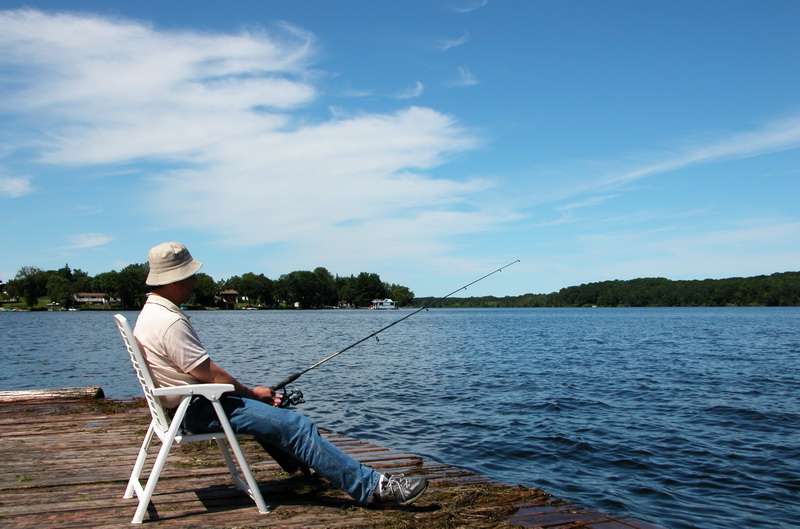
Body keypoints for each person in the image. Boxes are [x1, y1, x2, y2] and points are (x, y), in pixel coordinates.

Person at [133, 241, 428, 506]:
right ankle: (375, 486)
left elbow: (203, 375)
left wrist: (252, 395)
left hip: (182, 407)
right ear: (175, 280)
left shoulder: (150, 314)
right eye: (190, 275)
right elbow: (210, 375)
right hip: (197, 410)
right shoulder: (169, 321)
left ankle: (310, 464)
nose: (194, 281)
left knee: (273, 412)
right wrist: (250, 393)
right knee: (299, 426)